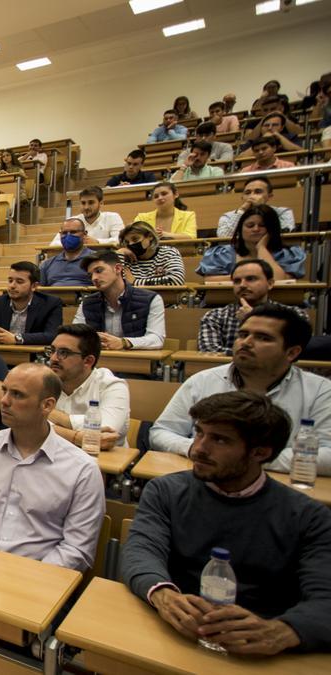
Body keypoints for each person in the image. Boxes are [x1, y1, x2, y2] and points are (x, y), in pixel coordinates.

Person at [122, 390, 331, 655]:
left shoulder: (308, 517)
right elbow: (141, 551)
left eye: (219, 440)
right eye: (199, 433)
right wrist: (163, 594)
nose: (198, 448)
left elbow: (326, 598)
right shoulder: (165, 491)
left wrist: (284, 631)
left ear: (260, 452)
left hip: (256, 646)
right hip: (173, 631)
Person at [0, 363, 106, 572]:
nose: (3, 401)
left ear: (47, 405)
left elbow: (76, 550)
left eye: (17, 395)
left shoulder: (82, 469)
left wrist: (28, 578)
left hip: (37, 580)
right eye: (4, 391)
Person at [151, 305, 330, 475]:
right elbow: (161, 433)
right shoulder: (203, 380)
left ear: (292, 352)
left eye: (263, 338)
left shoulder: (320, 391)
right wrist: (194, 448)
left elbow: (328, 455)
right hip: (205, 480)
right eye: (243, 334)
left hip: (281, 491)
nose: (246, 342)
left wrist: (238, 457)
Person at [197, 258, 308, 355]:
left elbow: (298, 351)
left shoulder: (294, 314)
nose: (242, 285)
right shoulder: (215, 316)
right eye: (237, 281)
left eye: (251, 279)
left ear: (270, 284)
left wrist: (252, 318)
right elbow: (210, 352)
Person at [46, 324, 130, 449]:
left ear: (88, 361)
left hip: (102, 463)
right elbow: (28, 424)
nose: (53, 358)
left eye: (64, 353)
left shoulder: (112, 386)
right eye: (52, 351)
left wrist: (56, 416)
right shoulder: (42, 380)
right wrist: (77, 437)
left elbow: (106, 430)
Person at [72, 251, 166, 351]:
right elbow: (74, 336)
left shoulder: (151, 299)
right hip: (99, 361)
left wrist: (124, 342)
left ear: (117, 268)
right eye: (90, 275)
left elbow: (157, 339)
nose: (94, 278)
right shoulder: (87, 303)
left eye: (99, 271)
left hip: (136, 361)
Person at [197, 205, 305, 281]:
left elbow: (278, 280)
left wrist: (261, 248)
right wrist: (256, 279)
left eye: (262, 225)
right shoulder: (222, 253)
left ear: (272, 229)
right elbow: (210, 280)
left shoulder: (288, 254)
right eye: (250, 225)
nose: (256, 229)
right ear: (240, 229)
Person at [0, 261, 64, 346]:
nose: (12, 286)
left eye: (19, 282)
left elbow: (51, 335)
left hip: (34, 357)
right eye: (10, 280)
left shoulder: (51, 303)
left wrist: (16, 339)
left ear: (34, 286)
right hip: (1, 354)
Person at [217, 176, 295, 237]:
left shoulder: (283, 212)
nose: (252, 196)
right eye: (247, 193)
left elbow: (284, 235)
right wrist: (242, 211)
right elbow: (224, 237)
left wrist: (261, 209)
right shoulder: (228, 216)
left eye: (258, 192)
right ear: (242, 197)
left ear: (269, 196)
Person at [115, 221, 186, 286]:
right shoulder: (125, 258)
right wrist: (119, 254)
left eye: (135, 239)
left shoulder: (168, 252)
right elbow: (116, 284)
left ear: (150, 236)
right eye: (127, 242)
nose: (131, 244)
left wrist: (135, 282)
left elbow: (177, 280)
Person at [49, 186, 123, 246]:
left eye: (91, 203)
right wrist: (78, 242)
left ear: (101, 203)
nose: (86, 207)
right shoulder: (72, 221)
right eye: (83, 203)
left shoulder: (113, 217)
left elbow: (120, 240)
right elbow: (53, 244)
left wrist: (97, 242)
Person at [40, 218, 96, 287]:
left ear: (84, 234)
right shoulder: (47, 264)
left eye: (73, 232)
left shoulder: (96, 259)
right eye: (64, 233)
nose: (68, 236)